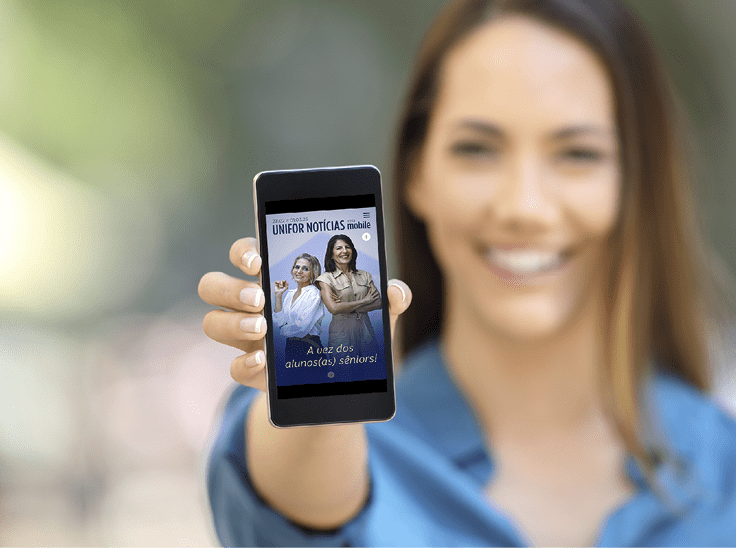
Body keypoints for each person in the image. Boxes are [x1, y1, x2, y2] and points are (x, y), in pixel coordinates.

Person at [197, 0, 736, 546]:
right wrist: (316, 398)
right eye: (477, 149)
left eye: (577, 153)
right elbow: (298, 496)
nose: (524, 206)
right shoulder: (341, 443)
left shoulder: (723, 465)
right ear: (416, 174)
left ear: (635, 183)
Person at [315, 234, 381, 356]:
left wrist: (345, 307)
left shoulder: (364, 275)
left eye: (347, 247)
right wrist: (365, 301)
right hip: (341, 334)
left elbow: (378, 302)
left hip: (366, 331)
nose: (344, 251)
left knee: (370, 370)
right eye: (339, 248)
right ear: (331, 254)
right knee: (344, 372)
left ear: (352, 251)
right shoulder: (325, 279)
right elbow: (333, 309)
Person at [272, 253, 325, 362]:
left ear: (312, 273)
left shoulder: (314, 294)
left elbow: (302, 328)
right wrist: (278, 295)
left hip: (309, 347)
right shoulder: (290, 294)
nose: (299, 271)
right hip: (291, 347)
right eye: (297, 267)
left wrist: (283, 329)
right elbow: (278, 322)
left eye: (305, 269)